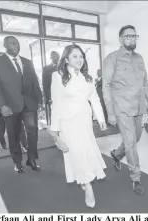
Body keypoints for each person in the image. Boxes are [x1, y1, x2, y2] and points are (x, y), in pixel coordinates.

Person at [50, 44, 107, 208]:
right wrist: (54, 130)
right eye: (75, 56)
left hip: (84, 119)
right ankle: (88, 185)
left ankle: (84, 177)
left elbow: (94, 99)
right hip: (67, 121)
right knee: (76, 152)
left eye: (81, 56)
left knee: (85, 150)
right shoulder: (58, 76)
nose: (79, 59)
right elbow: (56, 103)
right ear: (66, 59)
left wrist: (101, 119)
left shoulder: (87, 77)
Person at [103, 25, 148, 195]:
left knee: (136, 138)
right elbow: (106, 86)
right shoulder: (112, 58)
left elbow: (145, 83)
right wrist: (110, 112)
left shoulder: (140, 58)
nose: (132, 39)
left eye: (134, 36)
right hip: (122, 108)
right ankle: (136, 178)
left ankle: (117, 155)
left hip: (138, 106)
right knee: (131, 143)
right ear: (121, 39)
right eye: (128, 36)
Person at [0, 36, 43, 173]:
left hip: (29, 104)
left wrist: (39, 100)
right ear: (4, 45)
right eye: (12, 43)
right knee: (13, 134)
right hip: (10, 106)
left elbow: (35, 82)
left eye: (17, 43)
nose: (16, 46)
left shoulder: (27, 62)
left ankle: (31, 159)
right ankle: (17, 162)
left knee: (32, 133)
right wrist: (2, 105)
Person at [0, 52, 28, 151]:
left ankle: (24, 145)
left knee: (19, 125)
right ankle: (2, 142)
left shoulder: (12, 70)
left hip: (14, 103)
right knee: (2, 125)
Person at [42, 51, 60, 125]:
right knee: (53, 114)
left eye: (57, 56)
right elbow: (45, 84)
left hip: (62, 96)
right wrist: (49, 98)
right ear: (51, 58)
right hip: (51, 96)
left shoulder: (63, 67)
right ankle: (55, 131)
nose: (56, 58)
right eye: (54, 56)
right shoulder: (46, 68)